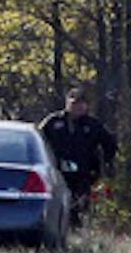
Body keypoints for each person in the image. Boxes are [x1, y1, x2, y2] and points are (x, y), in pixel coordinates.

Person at [38, 86, 119, 227]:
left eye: (81, 104)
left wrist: (105, 163)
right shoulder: (53, 122)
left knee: (78, 207)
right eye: (74, 103)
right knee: (56, 205)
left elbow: (110, 144)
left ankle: (76, 234)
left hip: (83, 174)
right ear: (67, 103)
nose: (78, 107)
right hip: (57, 172)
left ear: (86, 106)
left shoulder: (93, 125)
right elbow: (38, 141)